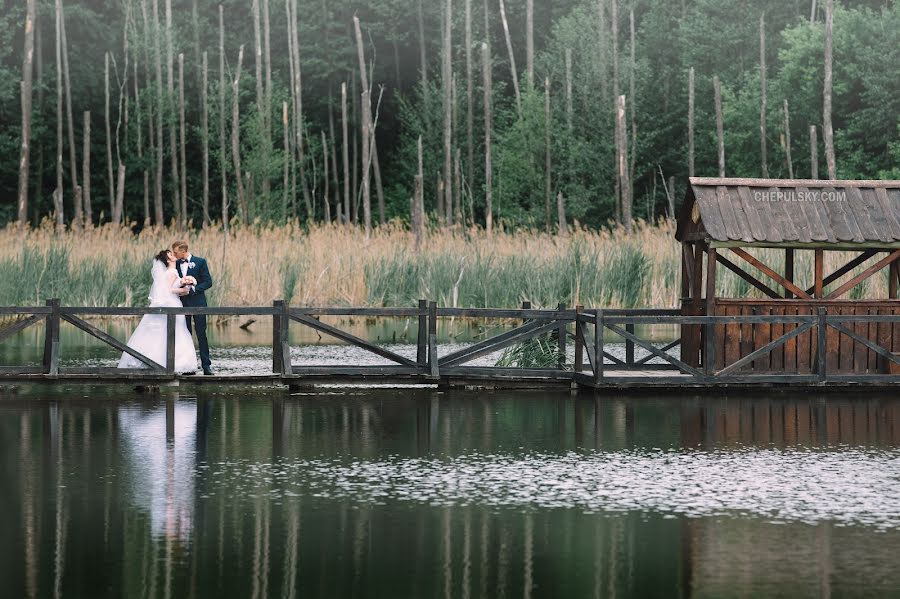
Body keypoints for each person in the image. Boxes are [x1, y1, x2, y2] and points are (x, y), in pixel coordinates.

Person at [118, 250, 198, 374]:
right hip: (172, 304)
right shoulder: (171, 272)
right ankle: (176, 363)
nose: (173, 255)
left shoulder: (171, 272)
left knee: (174, 332)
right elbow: (169, 290)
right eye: (170, 255)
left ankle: (165, 362)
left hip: (174, 303)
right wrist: (184, 289)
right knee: (175, 332)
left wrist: (184, 287)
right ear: (167, 260)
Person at [171, 240, 214, 375]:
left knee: (201, 334)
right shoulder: (175, 264)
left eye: (176, 252)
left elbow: (208, 282)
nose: (174, 254)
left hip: (199, 304)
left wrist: (194, 288)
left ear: (183, 251)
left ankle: (206, 366)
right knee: (186, 335)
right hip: (182, 304)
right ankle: (188, 366)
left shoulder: (200, 262)